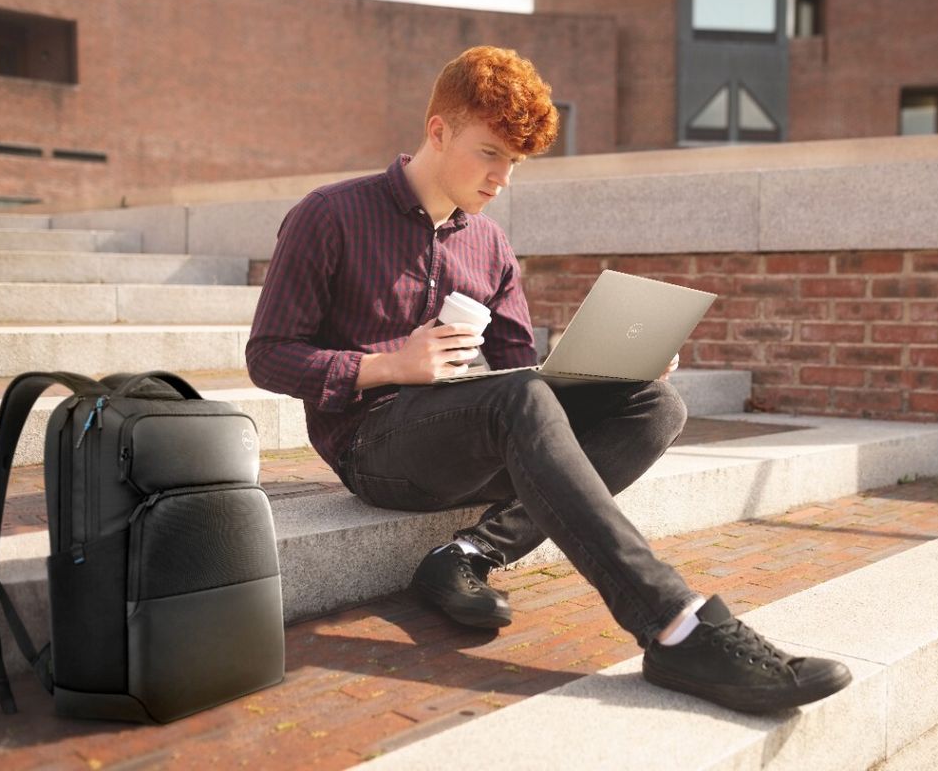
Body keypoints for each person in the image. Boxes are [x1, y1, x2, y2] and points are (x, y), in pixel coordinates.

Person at [246, 46, 851, 715]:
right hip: (373, 447)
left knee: (655, 406)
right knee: (519, 399)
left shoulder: (491, 246)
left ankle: (468, 551)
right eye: (489, 153)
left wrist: (601, 371)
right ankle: (676, 625)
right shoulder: (329, 215)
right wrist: (389, 364)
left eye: (514, 163)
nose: (502, 178)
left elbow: (514, 368)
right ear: (438, 131)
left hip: (467, 433)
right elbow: (268, 355)